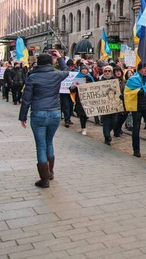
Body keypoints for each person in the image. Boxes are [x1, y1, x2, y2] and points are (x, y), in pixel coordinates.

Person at [18, 50, 70, 187]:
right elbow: (66, 70)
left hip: (39, 113)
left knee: (40, 146)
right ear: (50, 62)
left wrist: (22, 116)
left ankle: (44, 179)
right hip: (54, 113)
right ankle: (50, 172)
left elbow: (26, 99)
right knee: (49, 142)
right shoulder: (57, 75)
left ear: (38, 63)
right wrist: (59, 58)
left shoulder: (32, 77)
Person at [124, 62, 146, 158]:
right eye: (143, 68)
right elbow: (127, 93)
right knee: (136, 129)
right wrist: (137, 92)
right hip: (137, 108)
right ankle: (136, 150)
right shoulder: (132, 80)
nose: (145, 70)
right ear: (139, 70)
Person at [98, 66, 120, 145]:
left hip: (114, 105)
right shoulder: (100, 81)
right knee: (106, 122)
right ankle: (107, 137)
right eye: (106, 71)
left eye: (109, 71)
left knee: (114, 121)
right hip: (104, 105)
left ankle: (108, 132)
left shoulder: (115, 80)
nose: (107, 72)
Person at [70, 65, 94, 136]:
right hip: (80, 98)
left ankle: (84, 125)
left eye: (85, 69)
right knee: (82, 114)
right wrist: (73, 87)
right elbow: (73, 89)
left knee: (87, 114)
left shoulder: (90, 77)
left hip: (89, 98)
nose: (84, 70)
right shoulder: (77, 77)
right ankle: (83, 128)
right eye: (82, 69)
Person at [60, 59, 77, 128]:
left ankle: (68, 118)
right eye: (69, 66)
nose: (71, 67)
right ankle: (66, 120)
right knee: (66, 106)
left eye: (72, 66)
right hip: (64, 93)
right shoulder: (63, 72)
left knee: (70, 106)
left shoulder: (75, 73)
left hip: (72, 93)